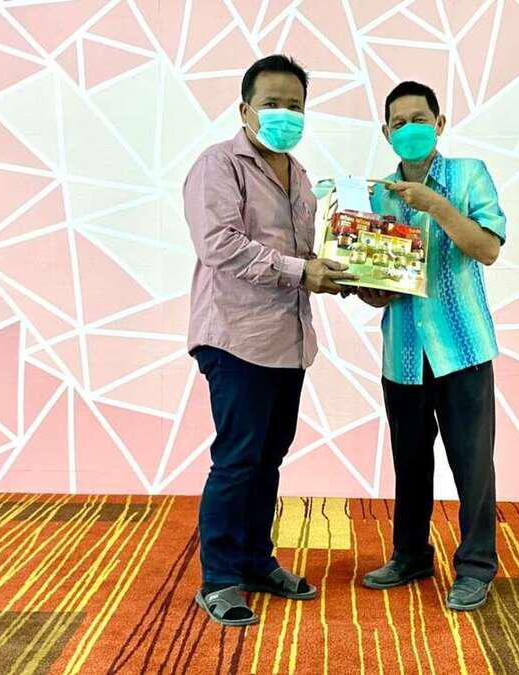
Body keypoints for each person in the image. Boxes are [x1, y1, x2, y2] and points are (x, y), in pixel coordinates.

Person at [183, 54, 356, 627]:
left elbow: (306, 254)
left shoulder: (300, 175)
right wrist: (304, 272)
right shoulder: (219, 164)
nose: (285, 114)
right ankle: (219, 578)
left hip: (288, 339)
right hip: (236, 336)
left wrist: (351, 271)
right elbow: (220, 245)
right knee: (238, 458)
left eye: (295, 105)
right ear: (245, 110)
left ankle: (256, 561)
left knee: (269, 456)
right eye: (272, 104)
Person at [358, 81, 507, 611]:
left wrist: (437, 206)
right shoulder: (378, 195)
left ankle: (476, 566)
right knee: (411, 461)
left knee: (473, 463)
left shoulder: (469, 175)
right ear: (386, 133)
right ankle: (411, 555)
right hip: (402, 349)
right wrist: (366, 286)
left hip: (461, 347)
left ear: (439, 124)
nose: (409, 129)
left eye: (419, 119)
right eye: (398, 123)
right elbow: (376, 283)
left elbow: (487, 249)